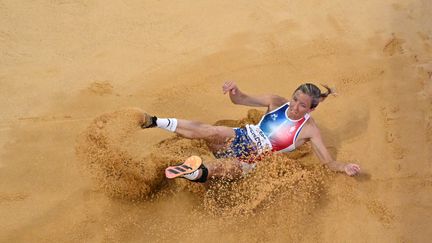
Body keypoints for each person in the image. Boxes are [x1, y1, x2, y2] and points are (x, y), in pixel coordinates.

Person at [141, 81, 361, 183]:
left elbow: (328, 162)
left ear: (311, 108)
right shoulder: (276, 102)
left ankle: (192, 172)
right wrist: (234, 91)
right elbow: (241, 99)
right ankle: (155, 121)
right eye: (295, 99)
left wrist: (344, 167)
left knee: (222, 168)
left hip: (252, 160)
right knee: (212, 130)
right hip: (240, 136)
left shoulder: (310, 130)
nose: (295, 106)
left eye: (302, 105)